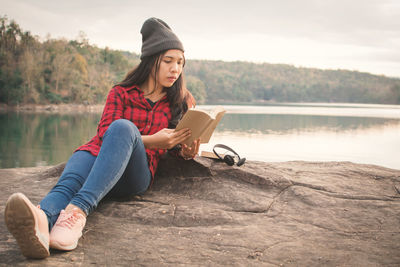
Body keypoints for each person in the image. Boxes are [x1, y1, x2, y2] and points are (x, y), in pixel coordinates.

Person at [4, 17, 199, 259]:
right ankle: (41, 223)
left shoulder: (179, 100)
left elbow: (173, 145)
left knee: (124, 128)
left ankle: (77, 212)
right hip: (94, 155)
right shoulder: (121, 92)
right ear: (151, 62)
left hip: (134, 176)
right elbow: (106, 133)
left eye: (180, 62)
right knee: (69, 182)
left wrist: (185, 151)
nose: (175, 69)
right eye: (168, 61)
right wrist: (153, 139)